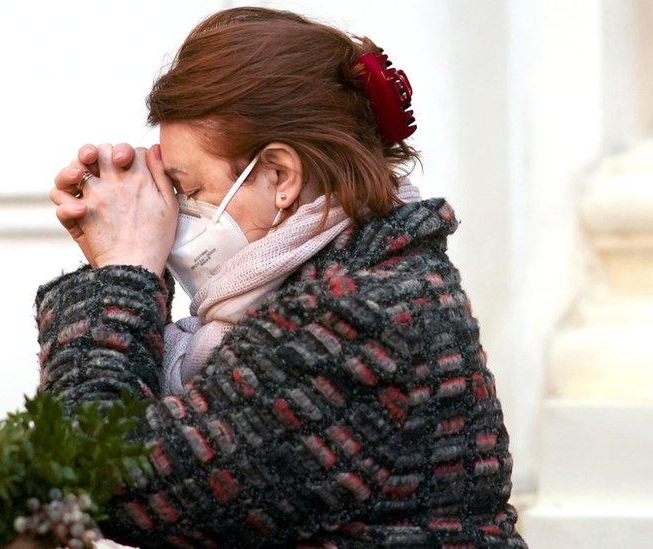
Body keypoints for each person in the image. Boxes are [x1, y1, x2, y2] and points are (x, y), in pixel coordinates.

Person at [39, 6, 527, 548]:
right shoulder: (349, 280)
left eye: (188, 189)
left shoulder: (361, 313)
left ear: (280, 176)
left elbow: (103, 479)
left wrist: (122, 273)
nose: (173, 214)